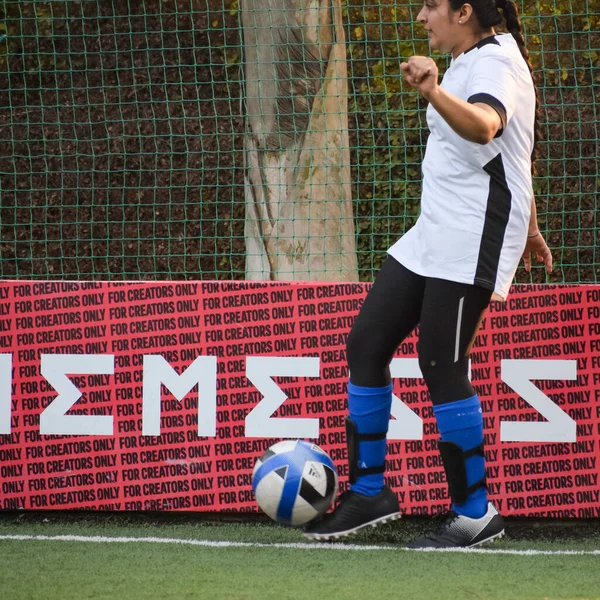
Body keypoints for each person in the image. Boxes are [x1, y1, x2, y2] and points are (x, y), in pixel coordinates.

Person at [304, 0, 552, 548]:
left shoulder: (495, 65)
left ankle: (474, 514)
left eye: (431, 6)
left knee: (441, 361)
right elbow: (519, 153)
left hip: (475, 234)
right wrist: (533, 225)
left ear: (464, 12)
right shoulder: (470, 55)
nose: (421, 16)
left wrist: (432, 91)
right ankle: (370, 492)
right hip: (436, 228)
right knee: (367, 342)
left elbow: (488, 127)